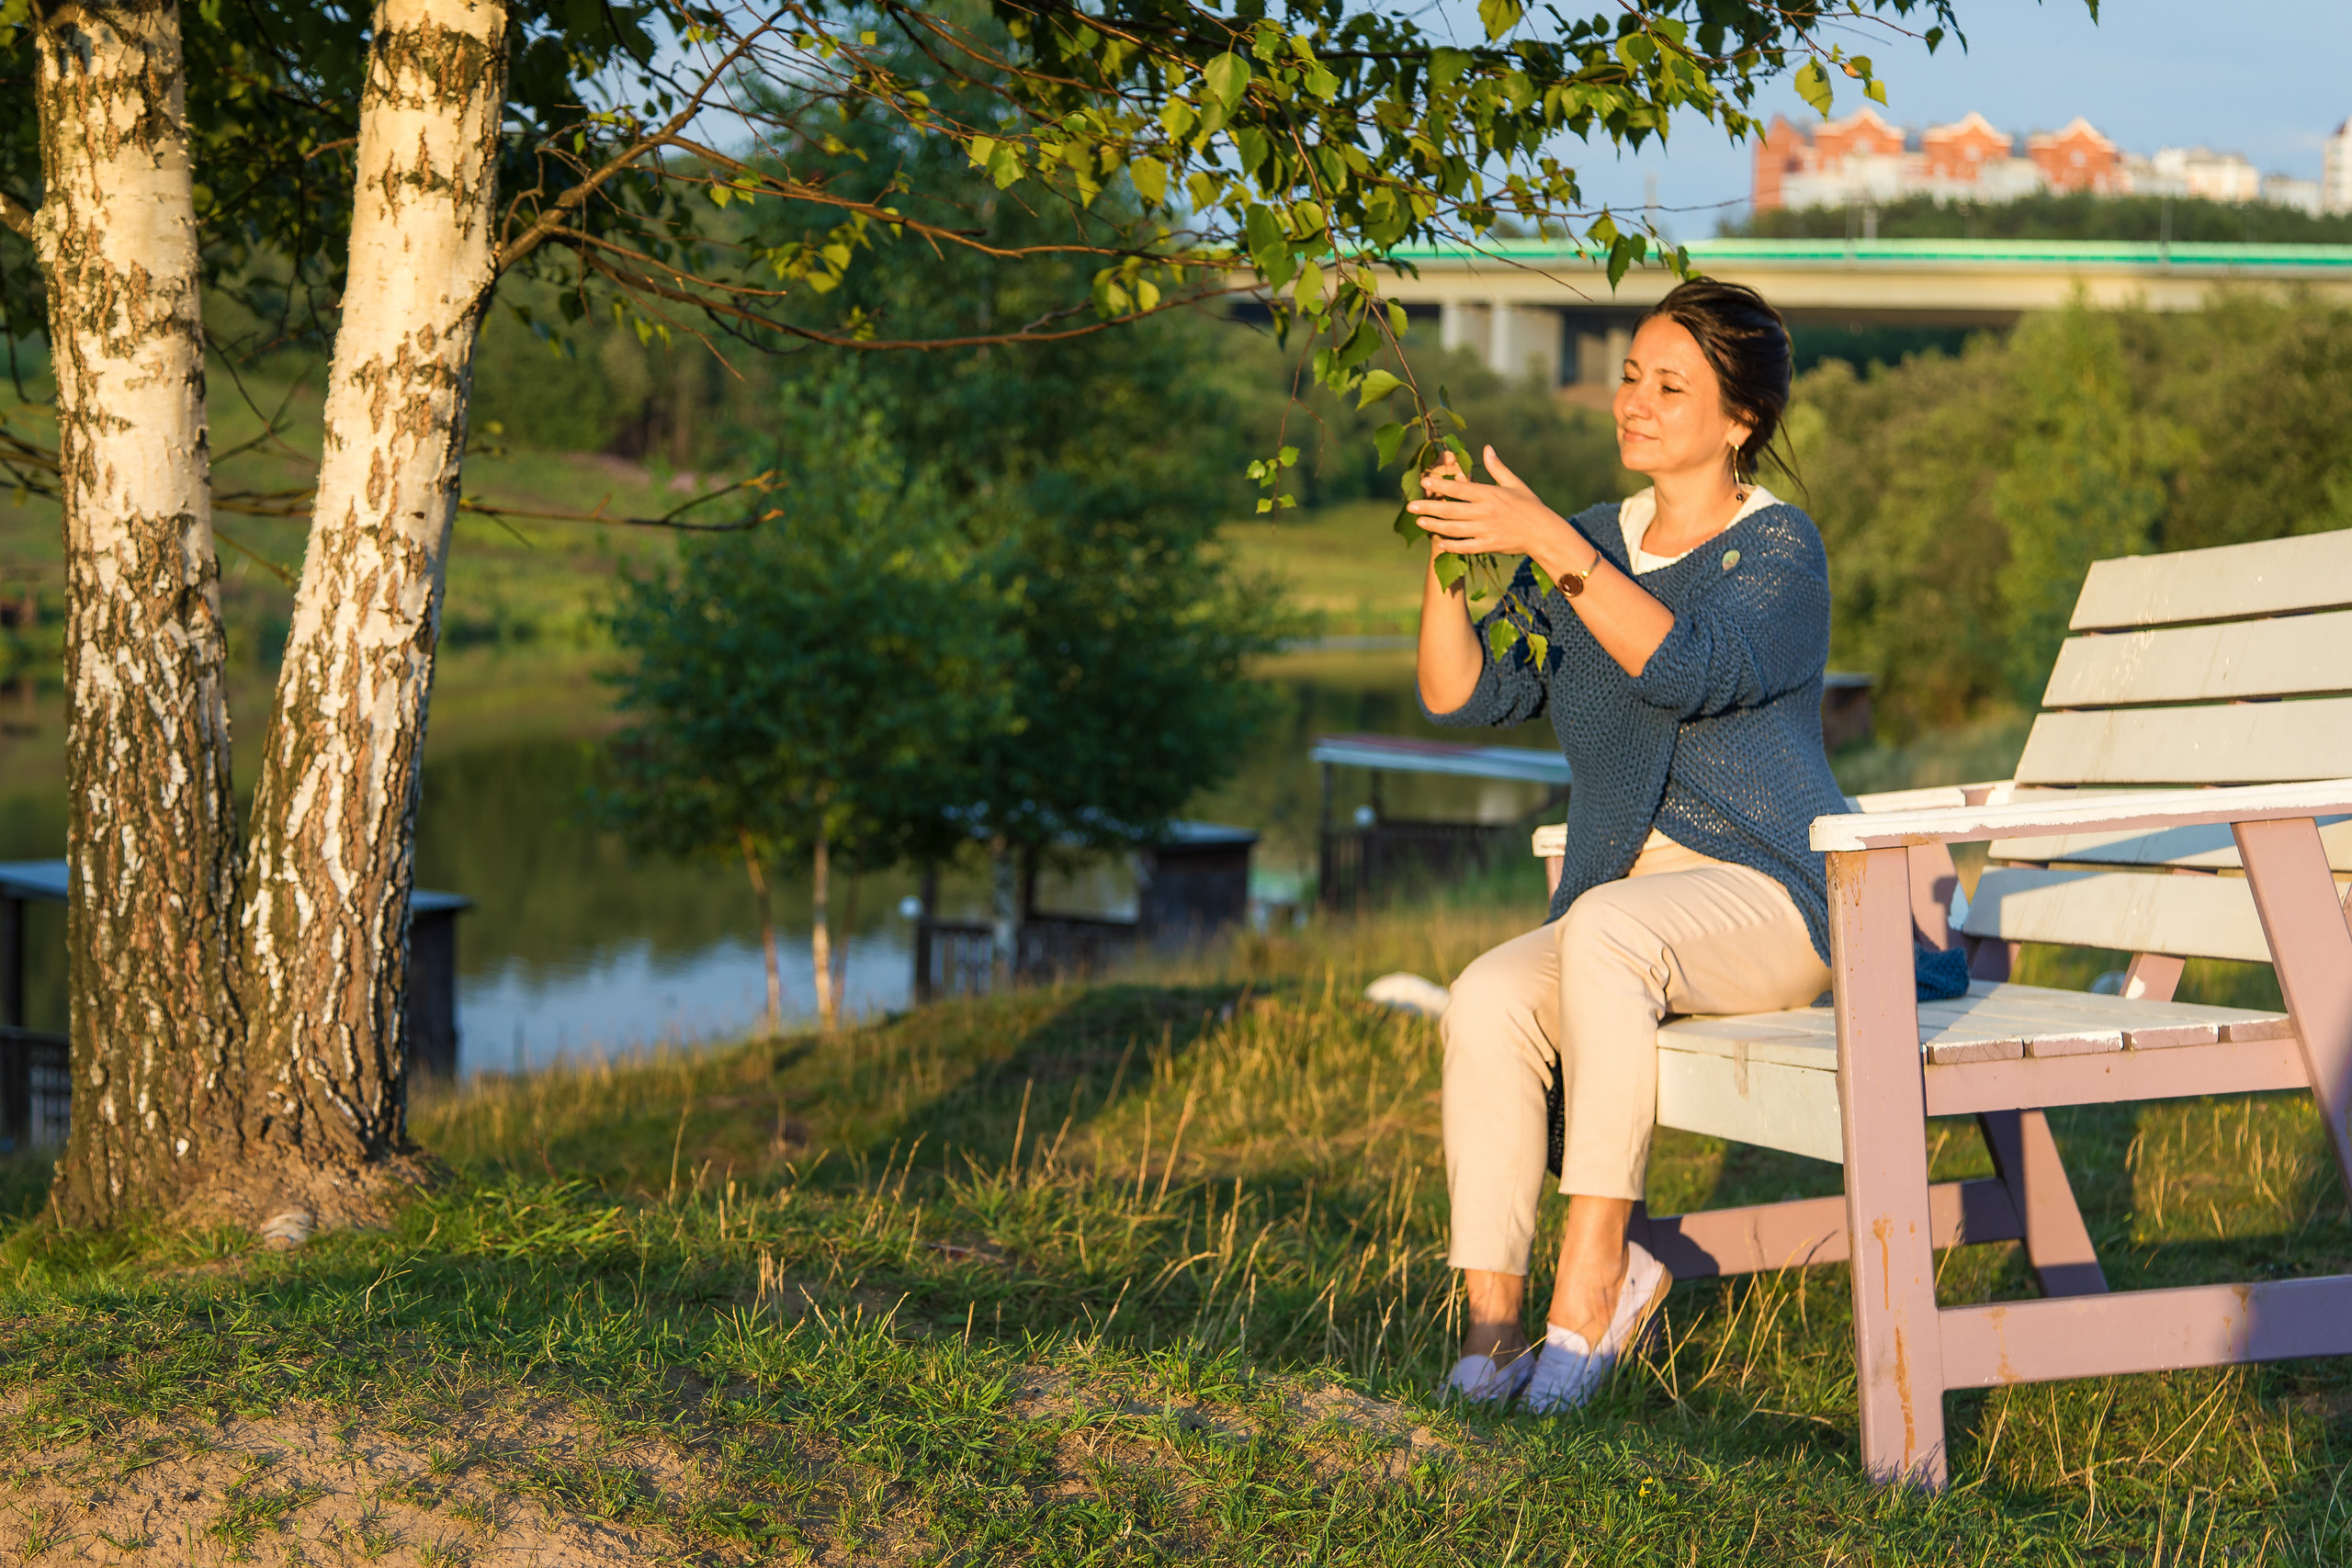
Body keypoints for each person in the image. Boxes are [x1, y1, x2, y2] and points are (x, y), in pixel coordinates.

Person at [1407, 277, 1849, 1414]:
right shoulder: (1593, 541)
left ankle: (1594, 1280)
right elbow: (1465, 693)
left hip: (1772, 897)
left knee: (1599, 929)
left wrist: (1550, 544)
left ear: (1739, 419)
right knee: (1488, 995)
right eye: (1628, 377)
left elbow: (1687, 666)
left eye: (1670, 385)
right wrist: (1452, 552)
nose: (1635, 403)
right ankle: (1492, 1335)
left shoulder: (1779, 553)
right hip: (1628, 906)